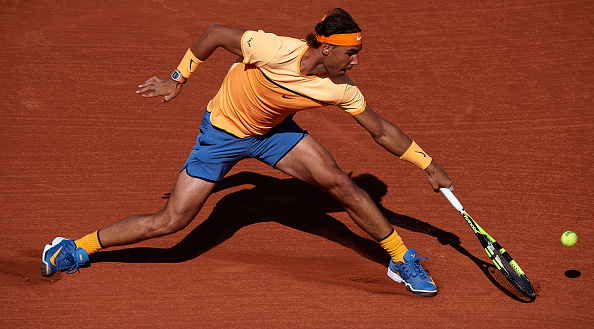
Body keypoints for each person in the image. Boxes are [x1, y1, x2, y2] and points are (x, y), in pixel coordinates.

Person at [41, 8, 451, 297]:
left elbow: (381, 131)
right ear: (325, 48)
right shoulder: (273, 49)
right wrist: (177, 79)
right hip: (221, 135)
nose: (356, 61)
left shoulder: (339, 87)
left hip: (274, 133)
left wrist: (428, 164)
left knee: (341, 184)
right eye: (350, 52)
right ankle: (77, 247)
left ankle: (400, 257)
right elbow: (216, 33)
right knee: (170, 224)